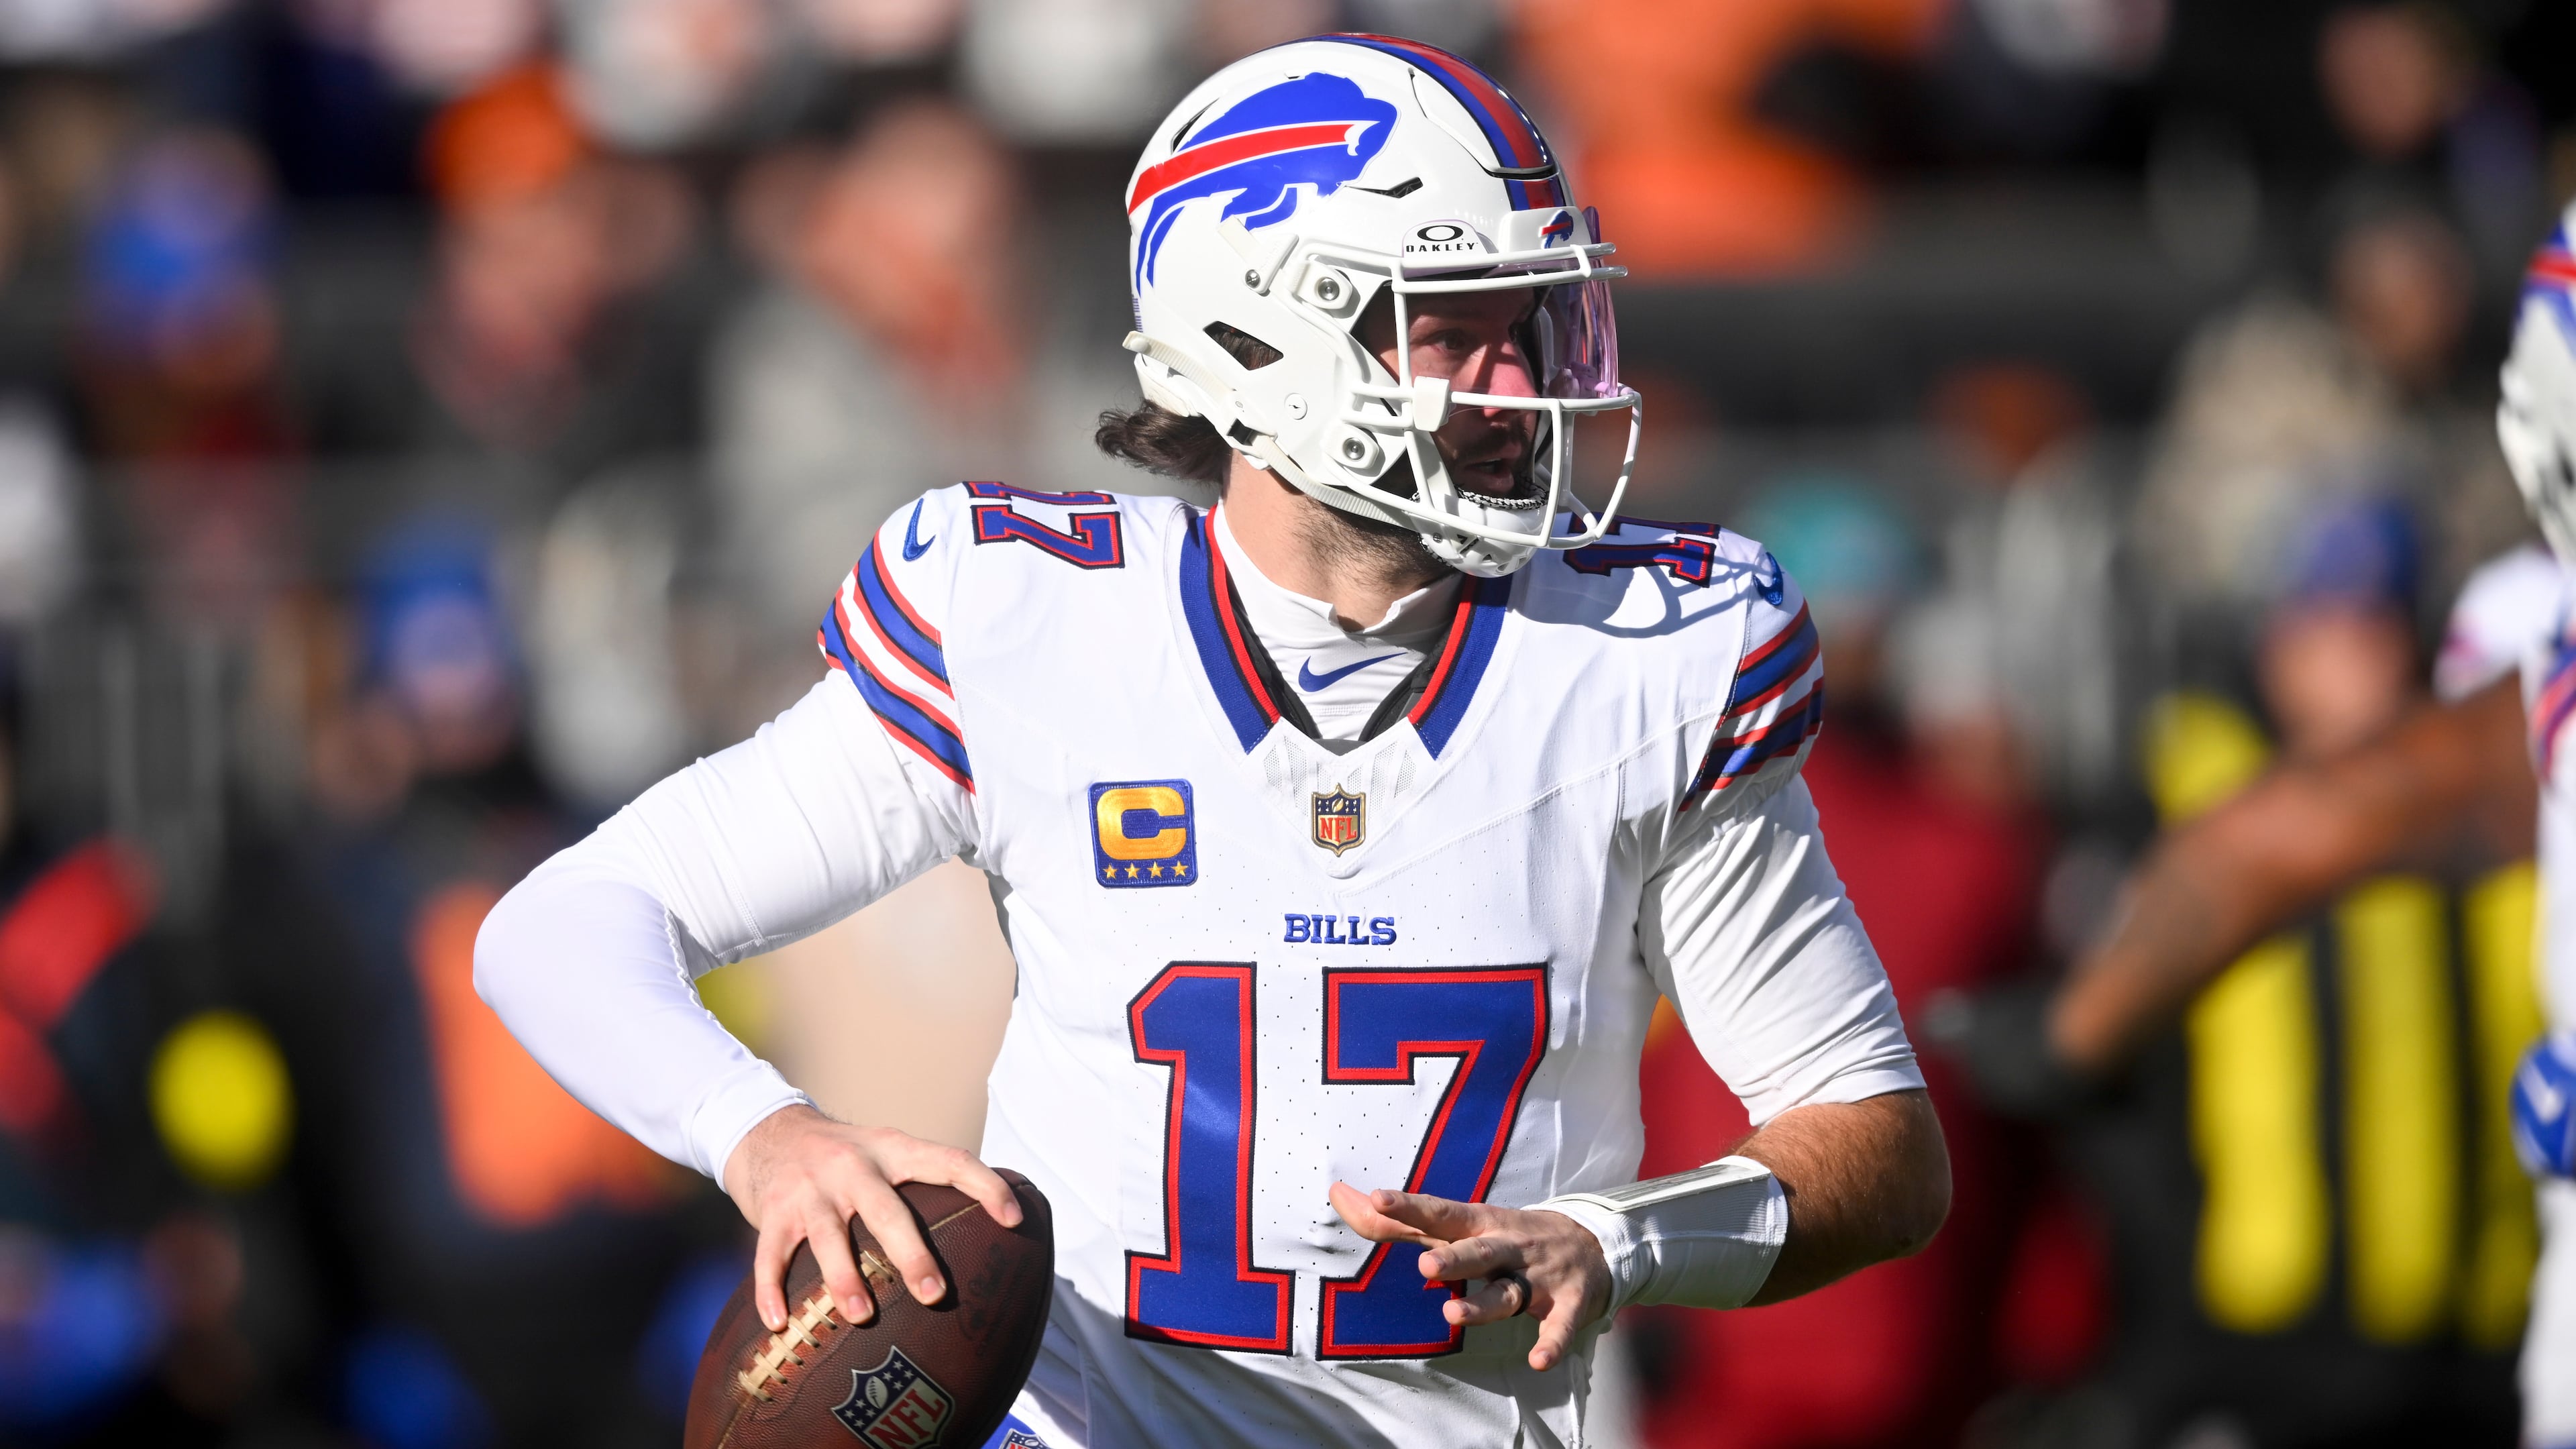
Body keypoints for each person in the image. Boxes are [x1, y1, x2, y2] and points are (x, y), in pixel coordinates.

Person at [475, 36, 1949, 1449]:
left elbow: (1879, 1148)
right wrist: (766, 1136)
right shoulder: (1029, 626)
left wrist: (1617, 1244)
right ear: (1256, 339)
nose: (1517, 389)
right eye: (1452, 331)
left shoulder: (1644, 665)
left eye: (1529, 325)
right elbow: (564, 926)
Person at [1941, 207, 2576, 1449]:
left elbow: (2318, 827)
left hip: (2478, 1348)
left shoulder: (2466, 718)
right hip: (2267, 1356)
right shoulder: (2197, 773)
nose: (2358, 646)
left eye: (2377, 611)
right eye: (2325, 612)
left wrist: (2076, 1031)